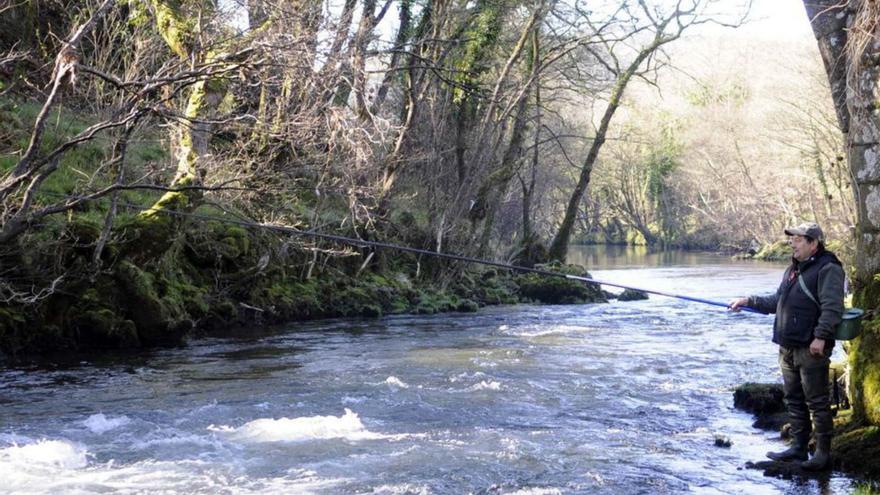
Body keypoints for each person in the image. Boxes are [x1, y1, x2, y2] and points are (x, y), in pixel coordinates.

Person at [729, 222, 845, 471]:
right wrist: (748, 301)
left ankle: (823, 455)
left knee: (817, 401)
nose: (792, 243)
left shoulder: (829, 268)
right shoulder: (793, 269)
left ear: (813, 243)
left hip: (811, 347)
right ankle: (798, 448)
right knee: (793, 398)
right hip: (788, 344)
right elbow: (776, 301)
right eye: (791, 239)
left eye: (798, 239)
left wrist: (821, 337)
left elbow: (833, 308)